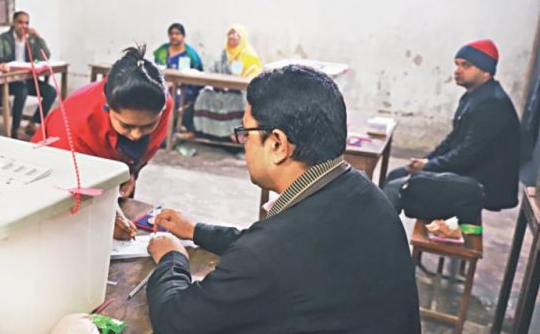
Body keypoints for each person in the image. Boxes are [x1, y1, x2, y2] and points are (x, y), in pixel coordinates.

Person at [146, 65, 420, 333]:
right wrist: (196, 231)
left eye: (246, 133)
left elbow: (176, 323)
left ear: (277, 145)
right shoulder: (366, 193)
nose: (245, 144)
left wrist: (172, 258)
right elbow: (282, 250)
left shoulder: (268, 251)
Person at [30, 45, 173, 240]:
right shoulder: (73, 124)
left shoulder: (163, 105)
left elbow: (147, 146)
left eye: (148, 126)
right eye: (127, 126)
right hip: (56, 175)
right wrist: (100, 215)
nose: (136, 135)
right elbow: (59, 183)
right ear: (108, 105)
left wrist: (130, 173)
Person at [383, 39, 520, 221]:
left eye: (466, 65)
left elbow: (468, 153)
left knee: (397, 187)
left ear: (486, 71)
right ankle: (379, 230)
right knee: (397, 174)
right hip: (469, 171)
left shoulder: (492, 104)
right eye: (457, 65)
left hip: (481, 184)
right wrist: (427, 160)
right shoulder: (473, 97)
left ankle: (378, 237)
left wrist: (428, 167)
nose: (457, 70)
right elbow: (454, 139)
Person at [193, 24, 262, 141]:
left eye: (236, 34)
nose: (232, 36)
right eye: (230, 33)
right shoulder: (224, 53)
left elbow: (253, 77)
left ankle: (235, 135)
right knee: (204, 95)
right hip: (220, 89)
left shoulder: (249, 55)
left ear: (242, 37)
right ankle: (205, 132)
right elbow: (214, 69)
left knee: (238, 101)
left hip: (240, 91)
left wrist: (234, 85)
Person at [0, 11, 56, 138]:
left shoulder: (31, 40)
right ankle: (15, 129)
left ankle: (34, 123)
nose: (24, 26)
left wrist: (38, 38)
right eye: (20, 22)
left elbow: (45, 56)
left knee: (51, 92)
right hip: (9, 80)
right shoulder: (3, 39)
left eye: (26, 23)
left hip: (26, 78)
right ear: (13, 23)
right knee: (22, 91)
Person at [153, 23, 204, 136]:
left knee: (171, 99)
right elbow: (154, 69)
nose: (174, 36)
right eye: (171, 34)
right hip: (162, 85)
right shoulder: (162, 51)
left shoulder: (190, 54)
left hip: (185, 88)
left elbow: (199, 73)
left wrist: (179, 82)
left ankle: (167, 134)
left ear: (183, 36)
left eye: (177, 34)